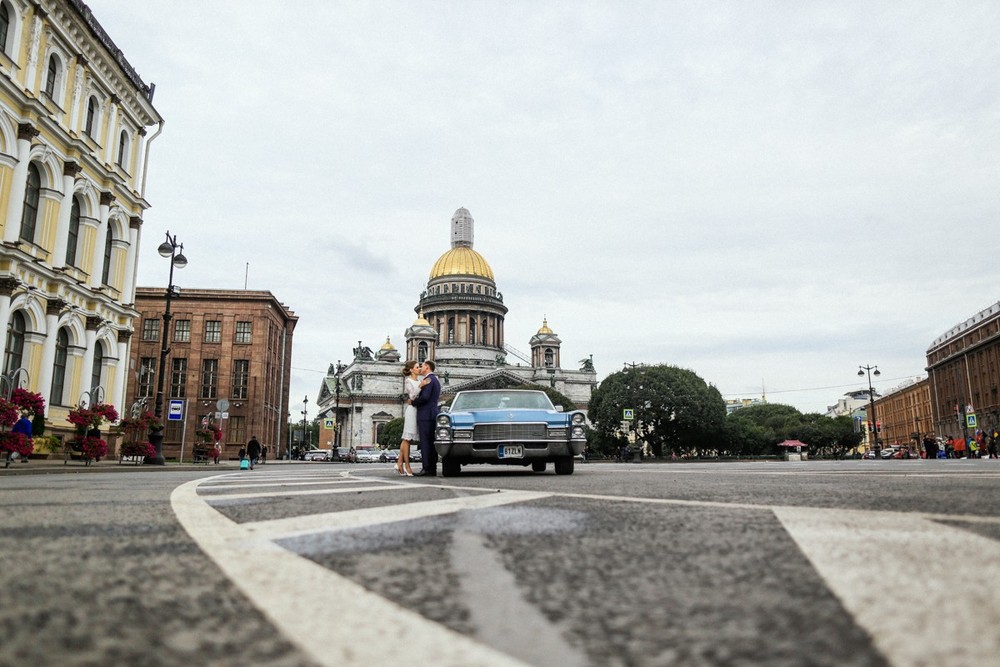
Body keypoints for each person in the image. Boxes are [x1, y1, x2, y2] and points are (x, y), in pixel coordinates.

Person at [411, 359, 441, 476]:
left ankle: (427, 468)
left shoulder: (428, 380)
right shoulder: (436, 380)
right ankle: (432, 468)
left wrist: (413, 402)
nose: (420, 368)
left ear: (427, 367)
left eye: (422, 366)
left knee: (425, 442)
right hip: (432, 414)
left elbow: (425, 397)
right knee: (431, 442)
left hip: (425, 414)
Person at [397, 360, 422, 476]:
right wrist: (421, 386)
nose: (419, 368)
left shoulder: (420, 380)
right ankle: (407, 465)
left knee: (406, 438)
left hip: (418, 410)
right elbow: (412, 396)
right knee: (407, 438)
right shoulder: (408, 381)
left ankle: (399, 463)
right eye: (417, 367)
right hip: (412, 411)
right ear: (411, 370)